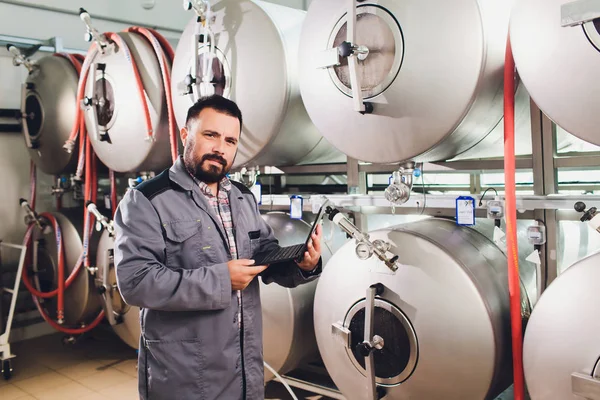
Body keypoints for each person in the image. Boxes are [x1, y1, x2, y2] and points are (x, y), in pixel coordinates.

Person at [113, 94, 323, 400]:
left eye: (230, 140)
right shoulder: (147, 200)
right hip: (183, 371)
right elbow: (136, 283)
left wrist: (302, 264)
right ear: (186, 134)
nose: (220, 148)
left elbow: (262, 254)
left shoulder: (241, 196)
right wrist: (221, 280)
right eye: (210, 135)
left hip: (243, 363)